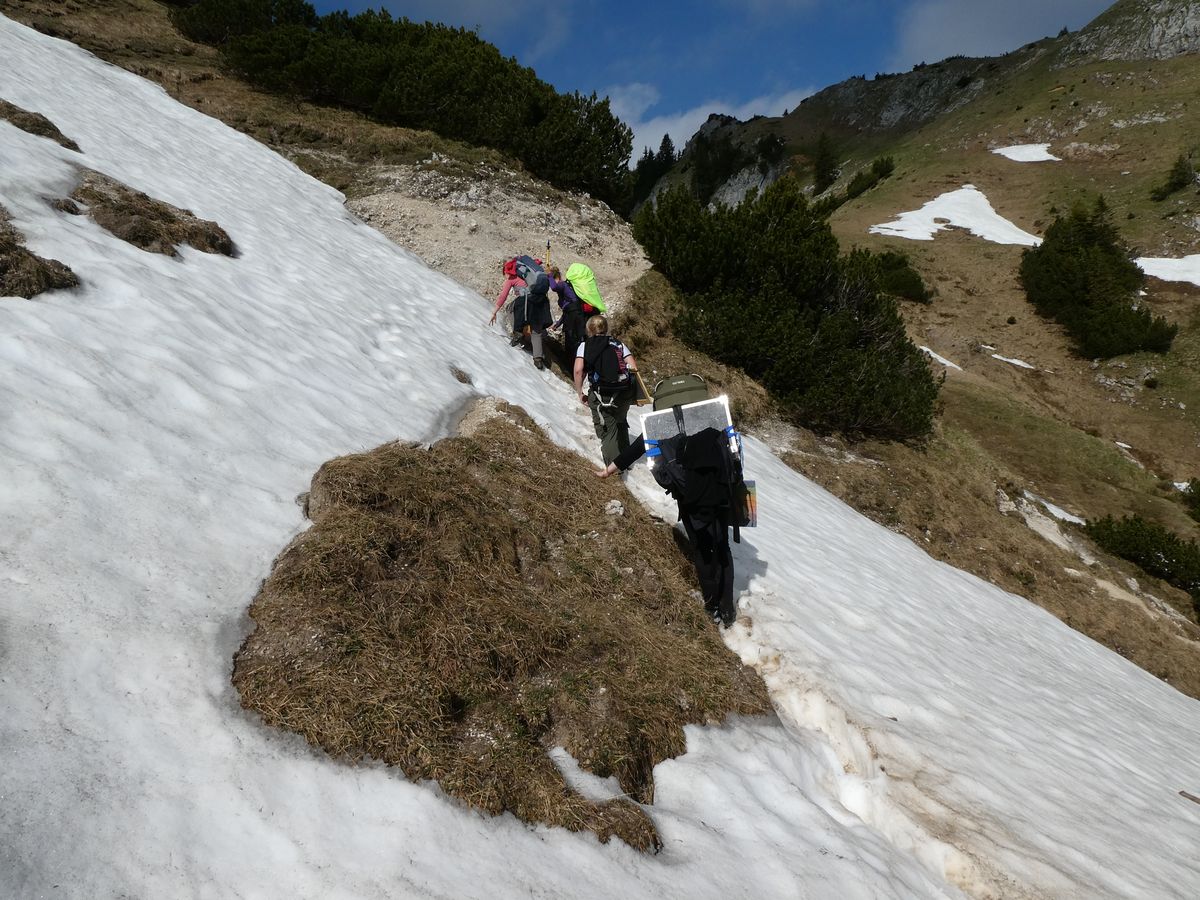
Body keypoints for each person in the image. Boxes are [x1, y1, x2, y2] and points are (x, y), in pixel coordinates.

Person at [595, 430, 738, 628]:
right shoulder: (705, 410)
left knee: (702, 549)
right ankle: (727, 608)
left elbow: (641, 444)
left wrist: (610, 469)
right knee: (722, 546)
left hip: (691, 492)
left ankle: (712, 605)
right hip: (721, 486)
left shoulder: (664, 419)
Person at [574, 315, 637, 465]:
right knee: (620, 421)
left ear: (589, 329)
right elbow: (634, 368)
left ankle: (614, 468)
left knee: (607, 429)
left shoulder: (585, 345)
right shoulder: (618, 344)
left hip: (601, 393)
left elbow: (578, 370)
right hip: (624, 391)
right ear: (606, 328)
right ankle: (626, 459)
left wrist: (579, 392)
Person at [489, 257, 553, 369]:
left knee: (510, 308)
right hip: (540, 301)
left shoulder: (511, 277)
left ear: (506, 269)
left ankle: (517, 332)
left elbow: (503, 296)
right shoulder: (529, 271)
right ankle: (538, 359)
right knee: (536, 329)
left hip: (526, 301)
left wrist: (494, 312)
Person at [546, 265, 589, 371]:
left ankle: (576, 365)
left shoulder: (562, 285)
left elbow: (554, 287)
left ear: (557, 278)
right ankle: (578, 365)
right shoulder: (567, 289)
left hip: (573, 317)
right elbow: (566, 312)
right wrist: (557, 324)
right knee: (576, 339)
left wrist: (549, 275)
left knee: (572, 340)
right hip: (575, 315)